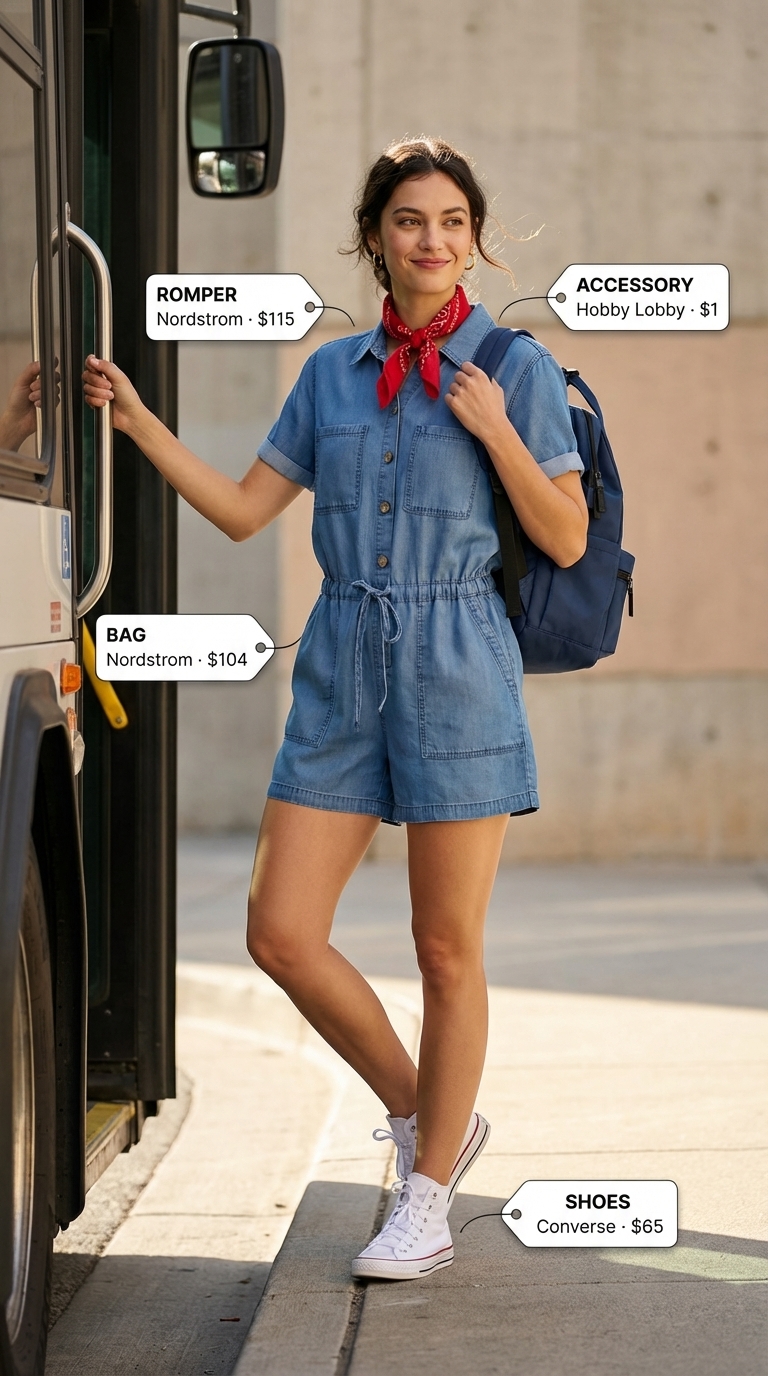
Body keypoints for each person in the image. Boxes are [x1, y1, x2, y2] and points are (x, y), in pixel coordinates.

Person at [84, 136, 587, 1282]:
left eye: (453, 221)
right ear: (375, 237)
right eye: (410, 219)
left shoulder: (512, 365)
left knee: (445, 949)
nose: (433, 240)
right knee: (281, 931)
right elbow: (246, 511)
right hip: (344, 661)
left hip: (460, 656)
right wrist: (139, 423)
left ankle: (424, 1199)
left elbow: (563, 533)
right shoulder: (328, 376)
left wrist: (496, 427)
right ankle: (433, 1123)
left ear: (476, 237)